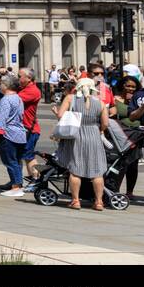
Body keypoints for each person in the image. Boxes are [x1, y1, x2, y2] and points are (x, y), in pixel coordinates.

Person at [53, 77, 110, 210]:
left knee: (75, 169)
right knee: (97, 171)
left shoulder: (70, 98)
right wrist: (98, 131)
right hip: (94, 135)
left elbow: (61, 115)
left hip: (76, 135)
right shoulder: (100, 102)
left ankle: (76, 201)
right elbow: (105, 123)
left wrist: (56, 113)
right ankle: (99, 202)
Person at [0, 73, 27, 197]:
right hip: (20, 134)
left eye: (2, 84)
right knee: (17, 161)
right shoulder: (18, 98)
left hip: (8, 134)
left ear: (7, 86)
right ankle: (17, 185)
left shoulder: (6, 100)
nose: (0, 86)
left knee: (10, 161)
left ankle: (16, 188)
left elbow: (2, 118)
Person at [113, 76, 144, 198]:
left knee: (133, 164)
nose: (131, 89)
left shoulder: (138, 99)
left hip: (135, 135)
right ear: (122, 85)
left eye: (133, 87)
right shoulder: (115, 99)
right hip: (119, 135)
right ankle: (114, 189)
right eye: (128, 86)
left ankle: (129, 192)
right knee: (119, 164)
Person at [16, 68, 43, 189]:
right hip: (23, 128)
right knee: (21, 156)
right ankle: (17, 180)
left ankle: (37, 180)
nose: (18, 78)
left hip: (30, 129)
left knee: (29, 156)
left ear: (28, 78)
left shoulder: (32, 90)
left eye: (19, 76)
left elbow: (14, 100)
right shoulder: (24, 88)